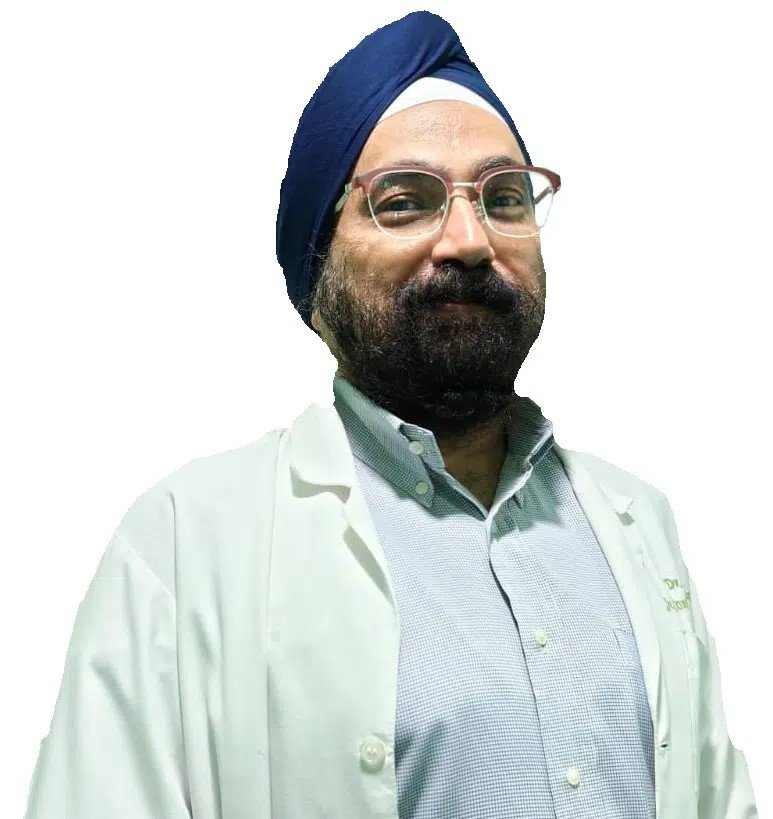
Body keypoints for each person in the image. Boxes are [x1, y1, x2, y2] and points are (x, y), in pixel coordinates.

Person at [24, 11, 758, 819]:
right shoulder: (186, 541)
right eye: (405, 202)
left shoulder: (635, 520)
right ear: (319, 264)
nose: (470, 240)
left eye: (504, 197)